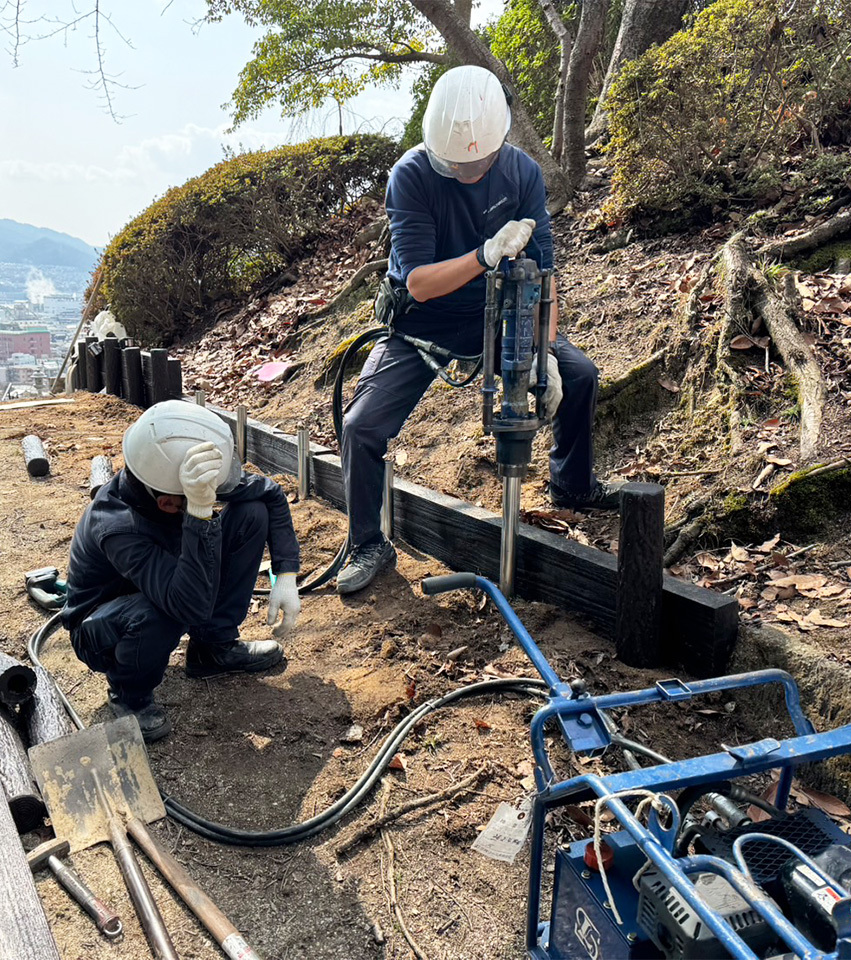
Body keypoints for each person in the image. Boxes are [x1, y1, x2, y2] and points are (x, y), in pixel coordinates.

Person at [336, 65, 620, 596]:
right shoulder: (412, 176)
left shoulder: (521, 173)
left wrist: (544, 352)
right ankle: (367, 542)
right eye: (454, 164)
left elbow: (545, 272)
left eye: (478, 163)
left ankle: (572, 487)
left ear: (500, 141)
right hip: (424, 326)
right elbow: (418, 282)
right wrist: (484, 254)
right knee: (361, 426)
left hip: (500, 315)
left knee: (579, 376)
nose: (467, 172)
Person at [61, 401, 302, 742]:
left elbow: (270, 493)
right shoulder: (117, 528)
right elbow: (186, 606)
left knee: (251, 513)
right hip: (102, 628)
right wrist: (200, 512)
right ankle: (129, 694)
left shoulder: (175, 474)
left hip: (167, 588)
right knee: (160, 612)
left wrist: (286, 573)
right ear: (169, 503)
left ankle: (213, 647)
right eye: (194, 499)